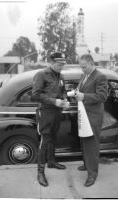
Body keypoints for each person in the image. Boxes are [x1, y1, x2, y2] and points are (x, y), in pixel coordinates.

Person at [32, 51, 69, 187]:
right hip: (46, 112)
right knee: (45, 139)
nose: (62, 66)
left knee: (54, 136)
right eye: (59, 64)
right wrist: (54, 101)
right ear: (51, 63)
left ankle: (52, 162)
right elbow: (35, 95)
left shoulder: (61, 75)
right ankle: (40, 172)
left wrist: (65, 99)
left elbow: (63, 90)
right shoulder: (41, 75)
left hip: (57, 112)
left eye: (63, 64)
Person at [75, 54, 108, 187]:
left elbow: (102, 96)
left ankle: (92, 174)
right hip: (84, 113)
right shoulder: (84, 75)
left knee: (92, 145)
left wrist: (84, 96)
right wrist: (76, 93)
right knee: (84, 141)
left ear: (91, 63)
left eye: (84, 67)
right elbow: (82, 90)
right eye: (80, 67)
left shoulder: (100, 76)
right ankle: (87, 164)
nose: (82, 69)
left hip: (93, 116)